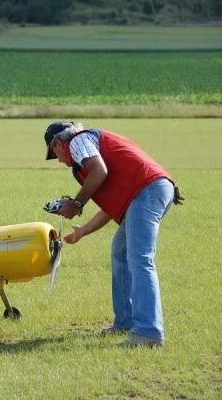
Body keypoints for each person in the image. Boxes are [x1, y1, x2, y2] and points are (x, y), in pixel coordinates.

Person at [44, 121, 183, 347]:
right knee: (120, 252)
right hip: (149, 191)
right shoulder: (86, 156)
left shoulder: (78, 141)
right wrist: (83, 231)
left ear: (58, 143)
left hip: (147, 191)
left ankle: (148, 333)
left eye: (54, 153)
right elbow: (112, 206)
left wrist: (77, 203)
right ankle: (125, 322)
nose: (58, 160)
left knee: (140, 260)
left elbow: (100, 171)